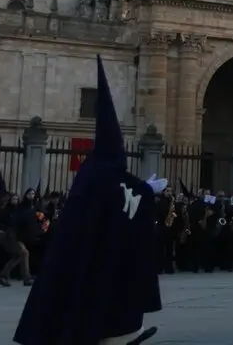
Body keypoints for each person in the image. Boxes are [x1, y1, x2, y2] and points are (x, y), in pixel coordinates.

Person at [14, 56, 165, 345]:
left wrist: (142, 189)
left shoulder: (94, 172)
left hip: (90, 252)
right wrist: (146, 189)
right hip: (96, 253)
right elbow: (120, 193)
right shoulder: (104, 174)